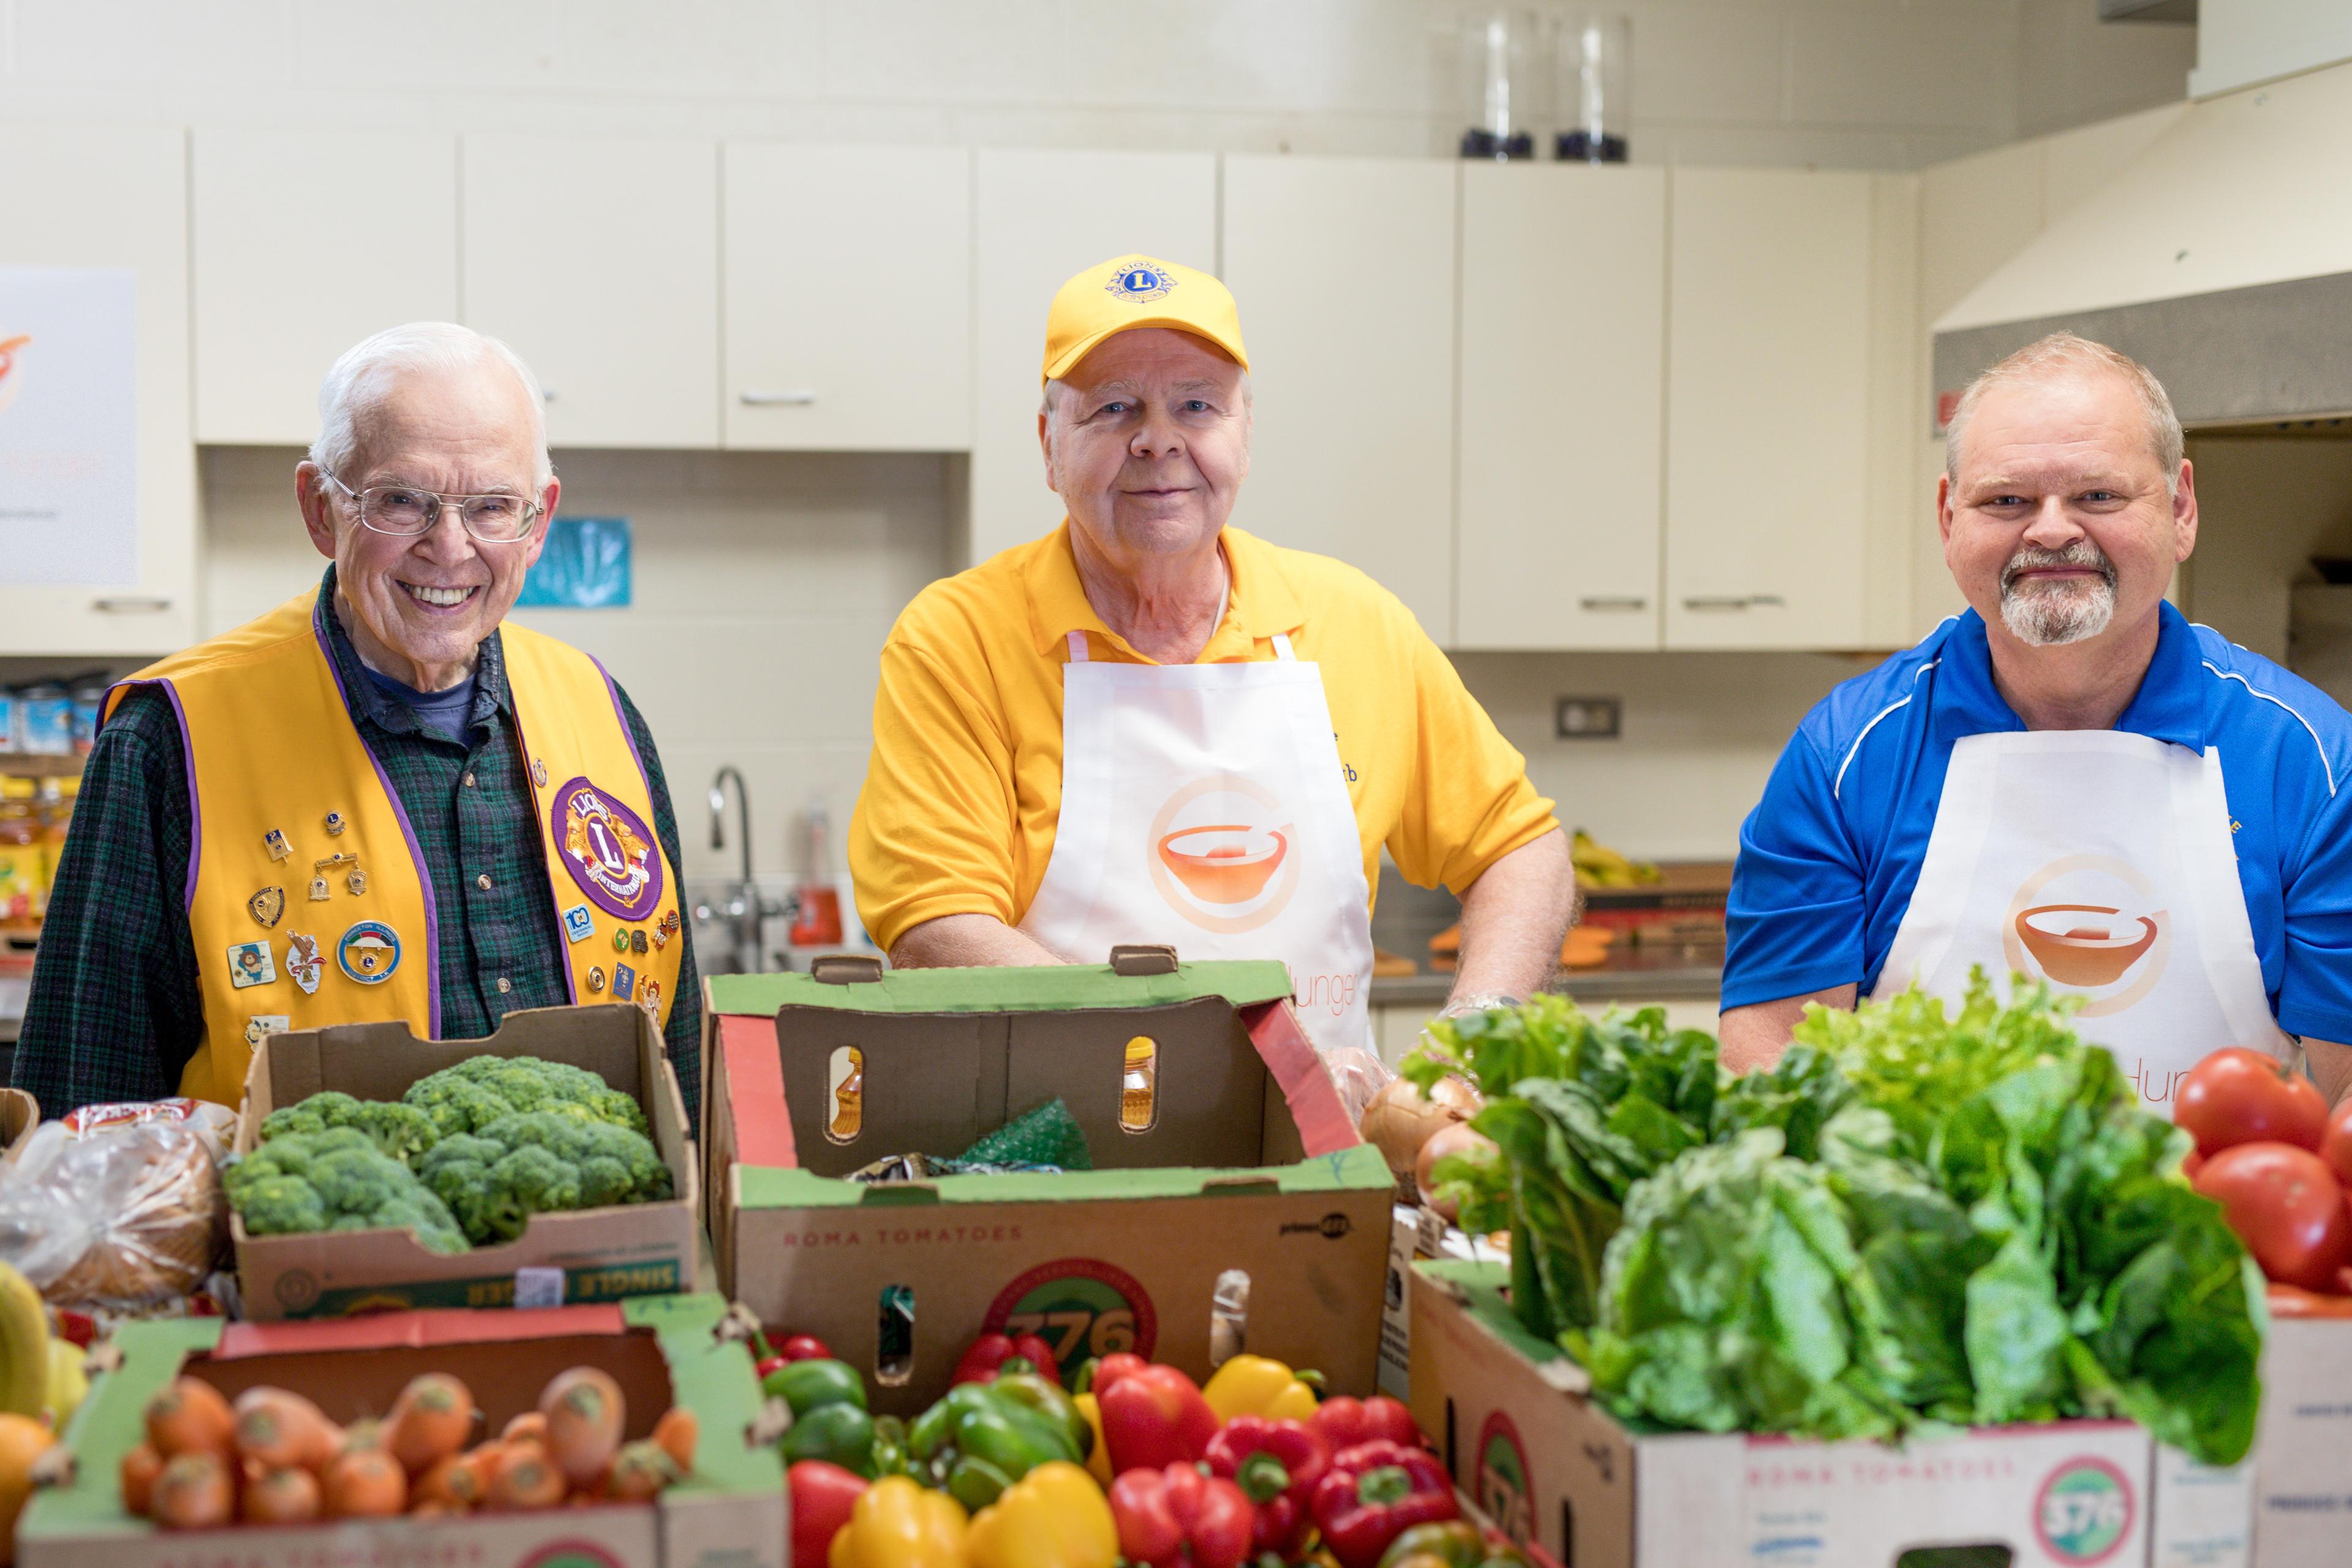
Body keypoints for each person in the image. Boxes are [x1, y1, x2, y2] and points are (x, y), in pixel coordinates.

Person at [849, 254, 1572, 1065]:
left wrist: (1475, 1031)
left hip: (1323, 1169)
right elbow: (935, 925)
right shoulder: (960, 639)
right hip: (1054, 1156)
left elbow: (1518, 845)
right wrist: (1213, 1069)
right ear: (1050, 445)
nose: (1158, 440)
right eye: (1115, 408)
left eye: (1197, 405)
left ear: (1245, 434)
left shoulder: (1352, 621)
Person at [11, 323, 701, 1115]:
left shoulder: (603, 713)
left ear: (538, 521)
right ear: (318, 508)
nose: (449, 548)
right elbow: (83, 1118)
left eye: (491, 507)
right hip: (274, 1238)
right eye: (402, 501)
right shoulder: (171, 739)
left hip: (609, 1240)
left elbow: (676, 1069)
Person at [1719, 333, 2352, 1107]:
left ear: (2181, 509)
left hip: (2220, 1223)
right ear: (1950, 519)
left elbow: (2346, 1092)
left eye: (2098, 496)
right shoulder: (1844, 756)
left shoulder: (2309, 760)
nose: (2051, 530)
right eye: (2007, 500)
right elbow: (1774, 1066)